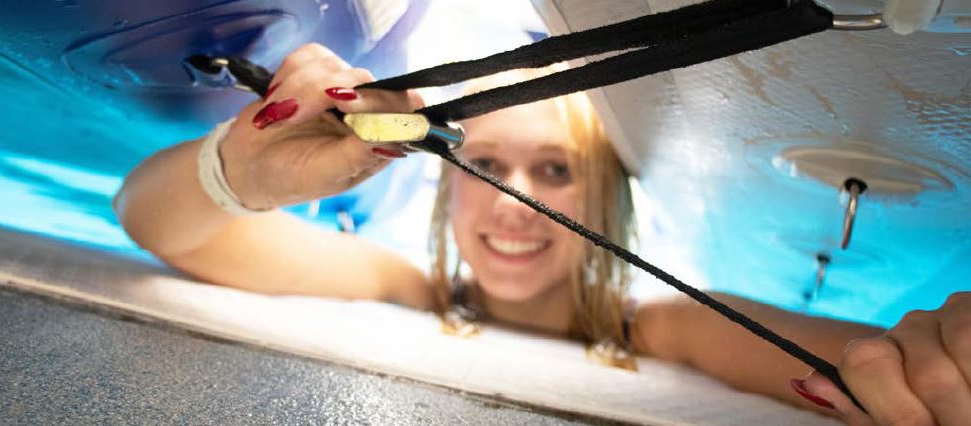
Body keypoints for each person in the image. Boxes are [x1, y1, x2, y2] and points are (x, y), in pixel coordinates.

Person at [114, 43, 971, 425]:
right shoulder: (402, 287)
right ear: (448, 190)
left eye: (556, 170)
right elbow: (154, 220)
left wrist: (931, 360)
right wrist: (241, 174)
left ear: (607, 201)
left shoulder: (668, 326)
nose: (514, 204)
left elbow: (861, 358)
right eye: (487, 166)